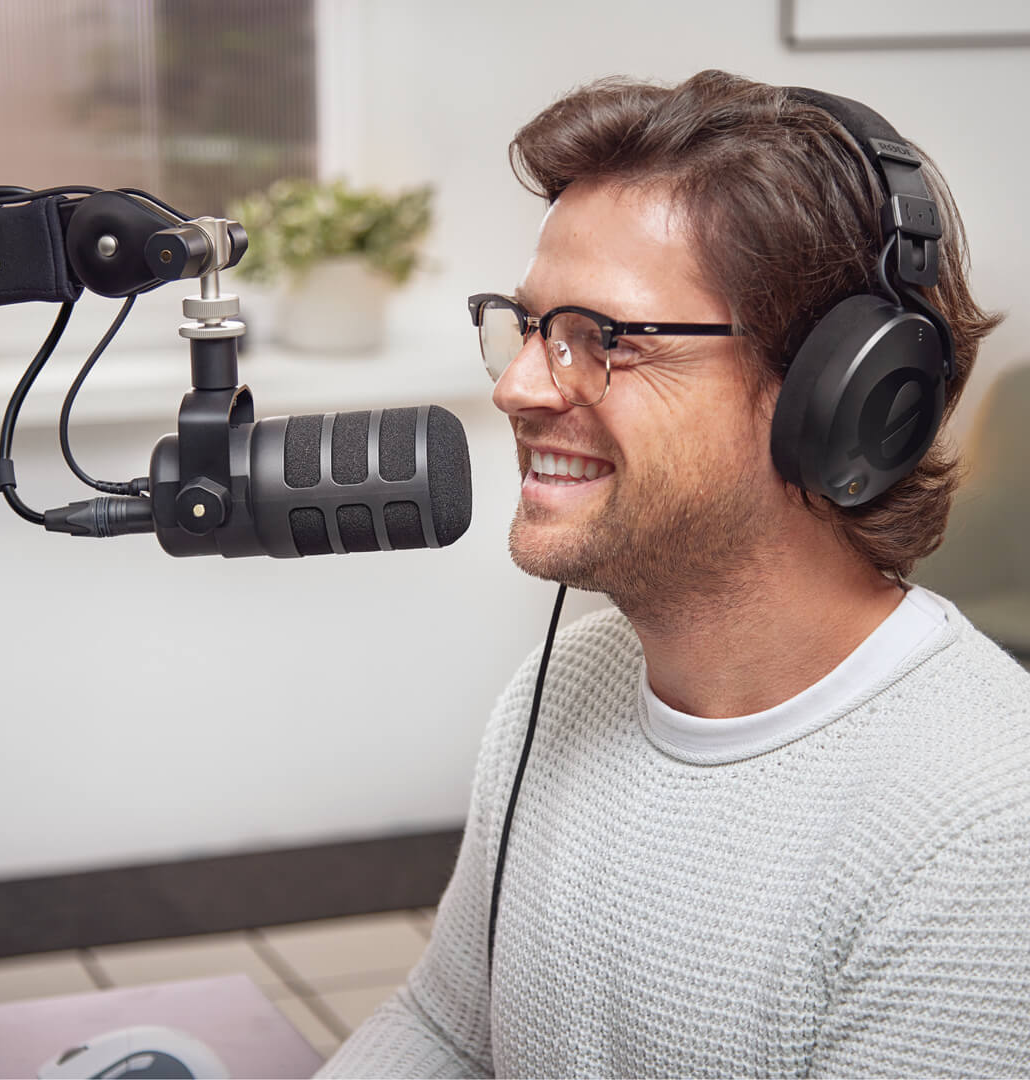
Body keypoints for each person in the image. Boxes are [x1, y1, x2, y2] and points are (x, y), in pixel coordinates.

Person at [318, 71, 1030, 1078]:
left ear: (840, 397)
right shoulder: (563, 687)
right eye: (526, 328)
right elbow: (445, 1032)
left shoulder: (987, 826)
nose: (519, 387)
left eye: (599, 339)